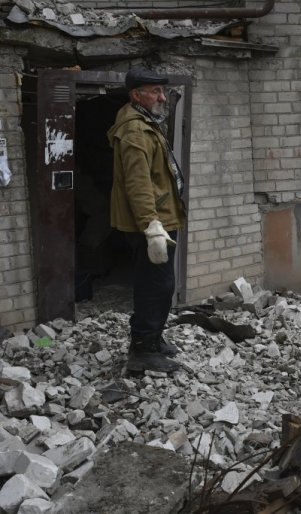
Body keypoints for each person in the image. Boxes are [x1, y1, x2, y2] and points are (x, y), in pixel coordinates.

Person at [108, 67, 186, 373]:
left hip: (161, 218)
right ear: (136, 95)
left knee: (160, 284)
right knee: (155, 285)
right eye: (155, 92)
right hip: (153, 223)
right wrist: (152, 226)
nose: (162, 97)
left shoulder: (146, 121)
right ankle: (142, 350)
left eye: (162, 91)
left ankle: (152, 338)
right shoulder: (135, 130)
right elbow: (137, 183)